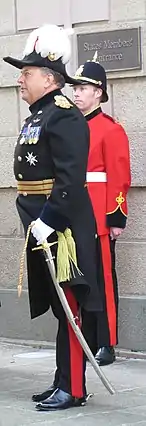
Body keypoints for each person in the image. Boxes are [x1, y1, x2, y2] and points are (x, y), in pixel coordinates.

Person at [3, 26, 102, 411]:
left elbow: (69, 177)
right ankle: (64, 381)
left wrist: (49, 218)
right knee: (62, 310)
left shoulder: (64, 115)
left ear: (48, 78)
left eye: (26, 74)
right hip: (41, 224)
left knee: (71, 308)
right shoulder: (39, 115)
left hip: (63, 229)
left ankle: (74, 388)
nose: (20, 79)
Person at [72, 56, 131, 366]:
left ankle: (106, 342)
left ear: (98, 92)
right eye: (76, 88)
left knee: (102, 279)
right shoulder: (71, 126)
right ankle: (86, 339)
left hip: (98, 215)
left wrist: (115, 216)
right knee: (80, 280)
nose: (77, 93)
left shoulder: (111, 129)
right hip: (74, 214)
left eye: (83, 88)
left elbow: (119, 175)